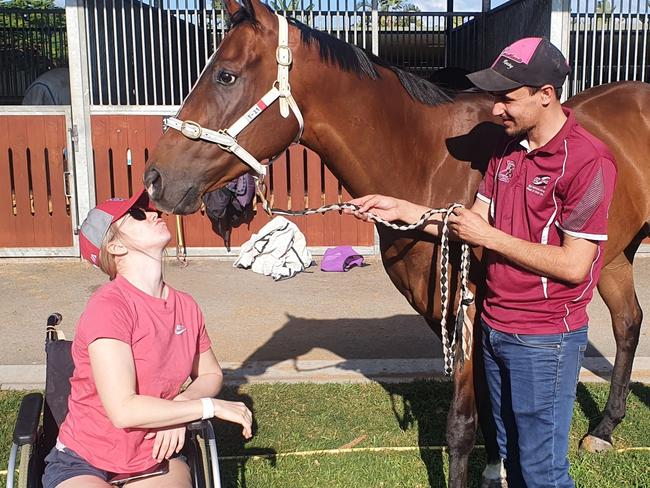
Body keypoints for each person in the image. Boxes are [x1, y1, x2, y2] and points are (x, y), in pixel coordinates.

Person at [346, 37, 616, 487]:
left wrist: (490, 238)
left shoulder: (588, 162)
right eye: (494, 97)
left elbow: (574, 265)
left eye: (507, 98)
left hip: (543, 340)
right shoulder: (507, 152)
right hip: (494, 330)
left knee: (543, 472)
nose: (495, 109)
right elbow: (471, 223)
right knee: (508, 459)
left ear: (545, 94)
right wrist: (406, 211)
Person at [42, 188, 253, 488]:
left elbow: (210, 372)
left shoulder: (185, 306)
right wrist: (209, 407)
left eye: (152, 209)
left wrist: (181, 406)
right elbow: (123, 410)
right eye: (138, 214)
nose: (154, 213)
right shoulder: (110, 307)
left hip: (154, 456)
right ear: (115, 247)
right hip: (84, 460)